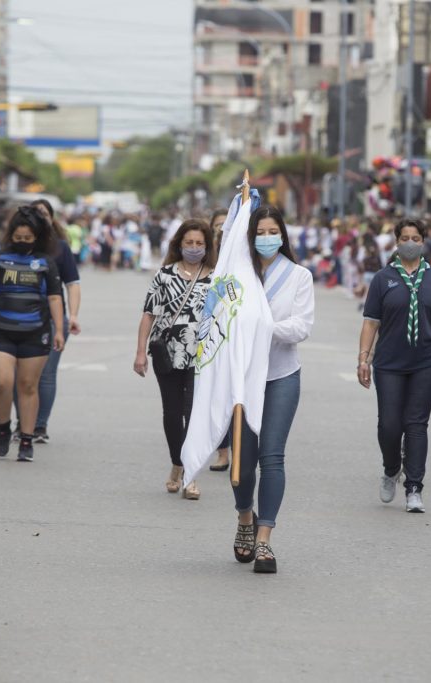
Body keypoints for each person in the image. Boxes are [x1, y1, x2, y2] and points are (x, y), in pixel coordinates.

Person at [358, 219, 431, 514]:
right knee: (389, 425)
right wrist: (363, 358)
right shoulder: (383, 278)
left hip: (428, 360)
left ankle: (414, 487)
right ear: (396, 241)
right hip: (389, 361)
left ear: (424, 242)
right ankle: (391, 468)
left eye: (416, 237)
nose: (410, 242)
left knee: (416, 424)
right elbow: (371, 322)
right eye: (405, 237)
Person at [230, 204, 314, 573]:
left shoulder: (299, 276)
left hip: (281, 374)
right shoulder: (238, 275)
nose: (266, 238)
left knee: (272, 457)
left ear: (282, 234)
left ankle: (264, 541)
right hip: (242, 380)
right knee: (243, 462)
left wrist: (263, 327)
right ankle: (245, 517)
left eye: (272, 232)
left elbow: (301, 326)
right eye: (260, 233)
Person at [0, 207, 65, 464]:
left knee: (27, 386)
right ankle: (3, 427)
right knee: (2, 382)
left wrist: (59, 329)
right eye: (18, 238)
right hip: (0, 330)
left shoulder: (47, 262)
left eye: (28, 239)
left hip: (36, 333)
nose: (22, 243)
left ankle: (26, 438)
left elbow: (55, 297)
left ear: (38, 237)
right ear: (10, 235)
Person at [133, 218, 216, 500]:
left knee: (193, 414)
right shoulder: (165, 275)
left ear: (207, 246)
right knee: (172, 414)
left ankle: (191, 475)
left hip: (202, 357)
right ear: (179, 244)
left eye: (199, 244)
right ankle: (177, 464)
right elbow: (148, 314)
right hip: (166, 354)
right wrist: (140, 352)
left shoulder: (217, 277)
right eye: (189, 243)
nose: (194, 248)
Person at [15, 198, 82, 444]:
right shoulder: (16, 246)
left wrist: (72, 316)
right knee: (20, 375)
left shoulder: (60, 248)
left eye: (44, 213)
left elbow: (72, 284)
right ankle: (22, 423)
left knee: (46, 374)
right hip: (18, 318)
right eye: (34, 212)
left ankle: (39, 425)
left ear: (51, 218)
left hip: (53, 320)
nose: (39, 217)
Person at [209, 207, 231, 472]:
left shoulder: (242, 252)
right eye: (218, 225)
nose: (222, 229)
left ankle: (240, 447)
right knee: (218, 395)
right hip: (212, 331)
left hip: (234, 329)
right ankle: (222, 451)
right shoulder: (208, 254)